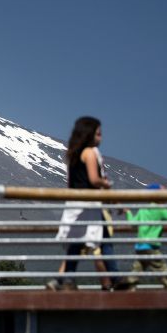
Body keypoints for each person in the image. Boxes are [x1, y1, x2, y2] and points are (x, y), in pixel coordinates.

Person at [48, 117, 124, 291]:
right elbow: (94, 179)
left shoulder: (73, 154)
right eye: (98, 133)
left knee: (75, 244)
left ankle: (66, 279)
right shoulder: (90, 152)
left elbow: (70, 183)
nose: (101, 138)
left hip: (75, 204)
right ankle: (116, 278)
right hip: (89, 206)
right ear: (89, 134)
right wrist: (106, 184)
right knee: (104, 241)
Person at [120, 184, 167, 290]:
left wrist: (128, 212)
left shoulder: (142, 210)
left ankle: (128, 287)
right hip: (151, 246)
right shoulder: (160, 209)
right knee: (161, 268)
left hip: (140, 247)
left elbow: (132, 223)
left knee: (137, 269)